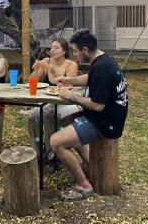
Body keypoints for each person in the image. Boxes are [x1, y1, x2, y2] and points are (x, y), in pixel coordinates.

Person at [50, 29, 128, 201]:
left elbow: (98, 106)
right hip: (105, 116)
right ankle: (87, 162)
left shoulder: (102, 68)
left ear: (85, 49)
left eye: (76, 51)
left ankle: (84, 185)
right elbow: (89, 77)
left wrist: (71, 96)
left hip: (106, 122)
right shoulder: (102, 59)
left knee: (56, 142)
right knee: (65, 121)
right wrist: (69, 80)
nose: (75, 55)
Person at [27, 38, 79, 165]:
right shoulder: (46, 61)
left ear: (64, 51)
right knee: (32, 117)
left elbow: (68, 87)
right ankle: (37, 151)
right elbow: (31, 81)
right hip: (49, 100)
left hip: (66, 102)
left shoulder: (71, 65)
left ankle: (52, 153)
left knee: (50, 115)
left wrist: (55, 74)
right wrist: (35, 68)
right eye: (51, 48)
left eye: (56, 48)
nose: (52, 50)